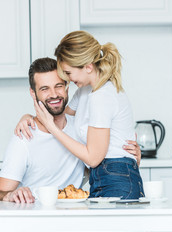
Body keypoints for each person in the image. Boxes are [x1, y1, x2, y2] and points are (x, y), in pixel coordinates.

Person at [0, 57, 151, 232]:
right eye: (44, 89)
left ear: (67, 86)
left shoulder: (80, 128)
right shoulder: (24, 138)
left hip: (73, 218)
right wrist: (10, 195)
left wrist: (126, 157)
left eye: (59, 85)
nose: (54, 94)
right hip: (39, 224)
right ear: (33, 94)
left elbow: (97, 165)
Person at [16, 31, 144, 200]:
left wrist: (51, 128)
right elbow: (59, 118)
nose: (66, 79)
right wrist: (28, 117)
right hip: (104, 176)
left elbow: (92, 158)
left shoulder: (102, 96)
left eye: (68, 73)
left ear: (88, 67)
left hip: (116, 177)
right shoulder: (85, 92)